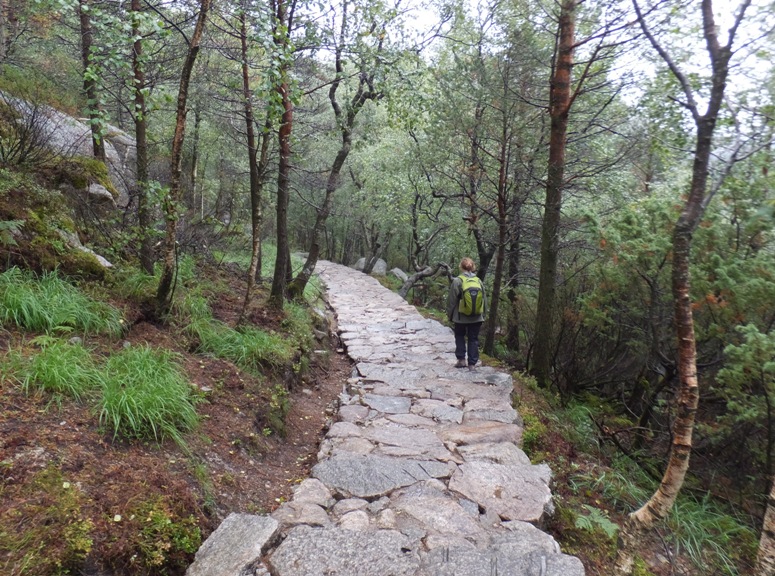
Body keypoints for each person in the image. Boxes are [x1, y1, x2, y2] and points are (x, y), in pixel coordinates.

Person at [447, 257, 486, 370]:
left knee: (459, 335)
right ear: (473, 267)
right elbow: (484, 299)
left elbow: (452, 300)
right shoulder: (478, 281)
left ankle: (461, 360)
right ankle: (472, 364)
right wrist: (483, 315)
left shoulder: (457, 281)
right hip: (477, 317)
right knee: (473, 339)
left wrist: (449, 314)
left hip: (460, 317)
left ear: (461, 267)